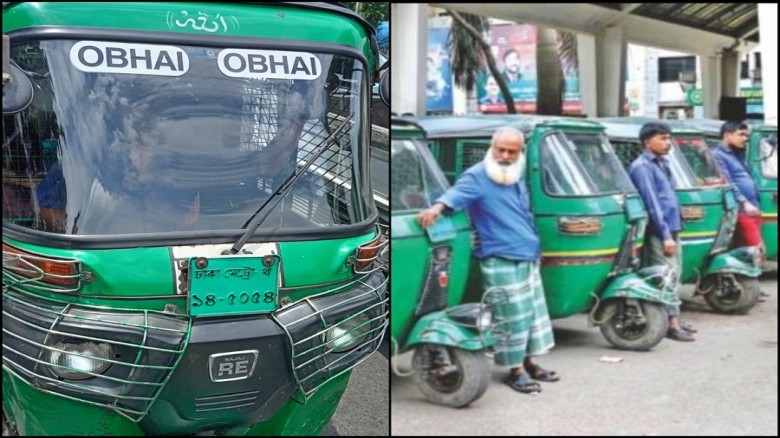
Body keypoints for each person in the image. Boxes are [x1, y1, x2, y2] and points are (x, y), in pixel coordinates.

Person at [417, 127, 558, 395]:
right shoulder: (478, 175)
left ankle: (529, 362)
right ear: (492, 148)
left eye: (511, 151)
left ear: (520, 152)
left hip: (527, 253)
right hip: (500, 256)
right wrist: (437, 208)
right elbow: (454, 196)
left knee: (531, 314)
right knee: (510, 316)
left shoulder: (514, 173)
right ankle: (515, 370)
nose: (504, 155)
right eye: (500, 149)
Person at [628, 122, 696, 342]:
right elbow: (652, 204)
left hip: (672, 227)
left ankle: (671, 319)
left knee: (674, 274)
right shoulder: (642, 167)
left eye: (669, 138)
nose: (668, 143)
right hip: (659, 231)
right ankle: (671, 325)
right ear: (648, 142)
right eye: (663, 138)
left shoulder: (662, 163)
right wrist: (666, 235)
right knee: (666, 276)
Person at [712, 120, 769, 298]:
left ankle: (749, 287)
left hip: (752, 207)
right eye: (741, 135)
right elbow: (729, 183)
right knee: (755, 247)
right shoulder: (718, 155)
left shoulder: (737, 154)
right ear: (727, 135)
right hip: (741, 209)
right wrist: (744, 202)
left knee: (748, 249)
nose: (745, 139)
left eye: (746, 135)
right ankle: (749, 288)